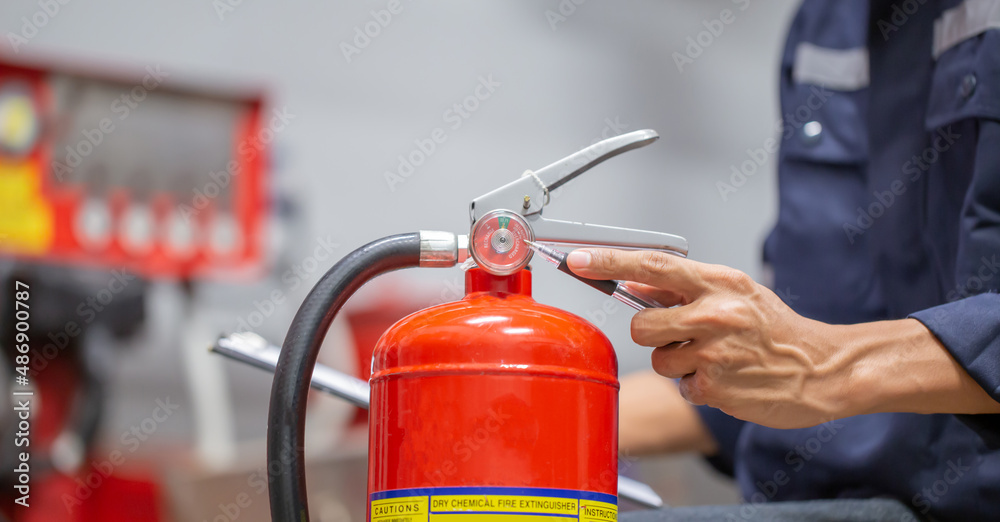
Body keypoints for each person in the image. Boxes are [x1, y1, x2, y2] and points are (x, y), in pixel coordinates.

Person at [600, 1, 1000, 520]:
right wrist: (540, 410)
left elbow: (808, 363)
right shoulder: (824, 25)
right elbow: (777, 370)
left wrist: (828, 365)